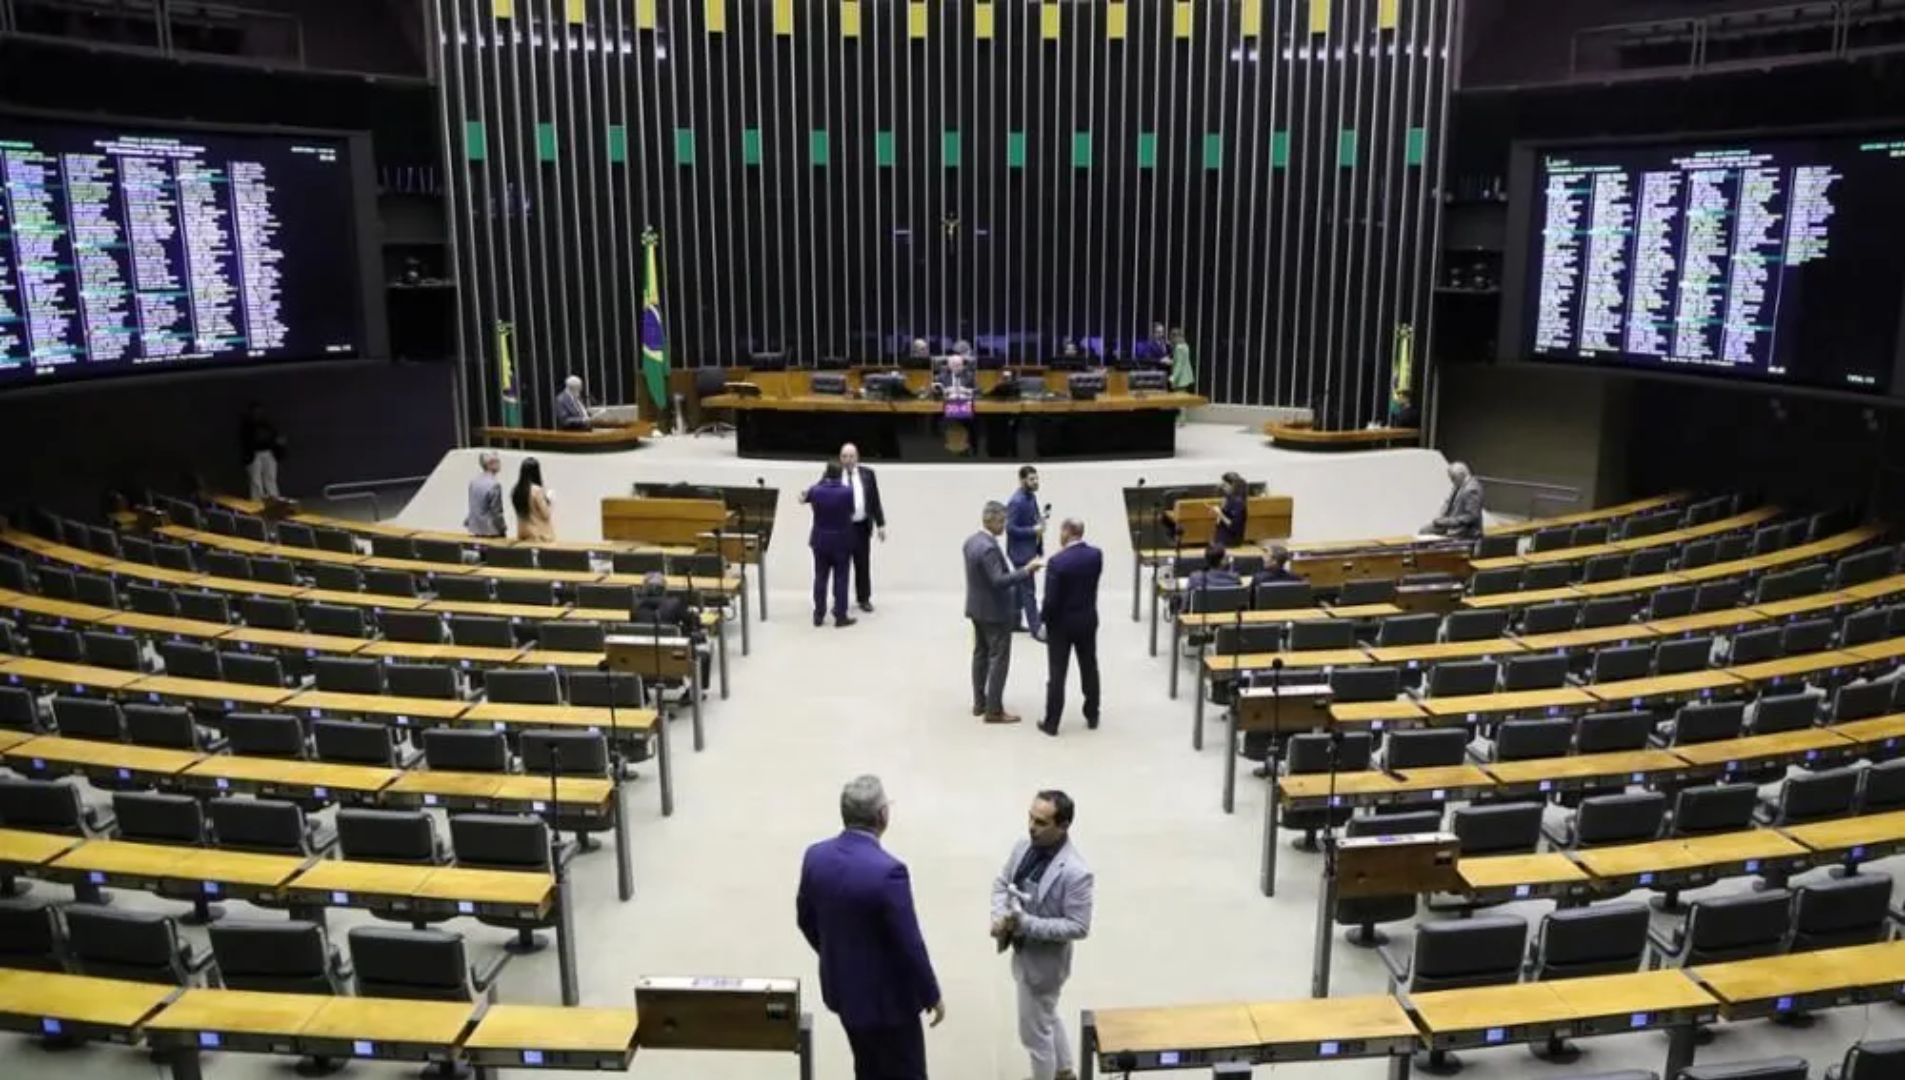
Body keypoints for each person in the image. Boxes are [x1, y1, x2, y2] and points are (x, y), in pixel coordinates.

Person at [797, 775, 945, 1080]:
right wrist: (931, 994)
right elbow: (909, 943)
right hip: (889, 1004)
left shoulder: (816, 856)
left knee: (866, 1066)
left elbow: (805, 919)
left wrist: (836, 953)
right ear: (882, 816)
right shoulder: (889, 872)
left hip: (843, 992)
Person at [990, 790, 1094, 1080]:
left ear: (1063, 826)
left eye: (1041, 822)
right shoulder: (1024, 845)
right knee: (1046, 1015)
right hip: (1023, 951)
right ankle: (1063, 1071)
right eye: (1030, 817)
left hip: (1045, 965)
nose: (1031, 826)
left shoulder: (1076, 872)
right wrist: (1000, 917)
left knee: (1034, 1036)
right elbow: (1002, 883)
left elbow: (1078, 926)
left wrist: (1025, 924)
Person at [964, 500, 1043, 724]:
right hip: (995, 612)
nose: (1004, 525)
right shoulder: (989, 548)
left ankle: (979, 702)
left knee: (980, 655)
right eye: (1002, 521)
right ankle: (994, 710)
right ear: (992, 520)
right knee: (998, 660)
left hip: (976, 608)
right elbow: (998, 580)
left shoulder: (971, 542)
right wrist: (1026, 571)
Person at [1040, 518, 1102, 735]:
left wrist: (1043, 620)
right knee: (1089, 668)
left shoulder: (1057, 562)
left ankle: (1052, 721)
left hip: (1061, 625)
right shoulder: (1096, 556)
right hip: (1086, 620)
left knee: (1057, 673)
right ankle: (1092, 714)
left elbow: (1051, 600)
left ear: (1067, 532)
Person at [802, 462, 857, 628]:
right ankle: (840, 615)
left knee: (820, 577)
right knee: (841, 579)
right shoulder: (847, 492)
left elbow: (801, 498)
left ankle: (818, 615)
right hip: (841, 540)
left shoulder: (816, 490)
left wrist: (819, 482)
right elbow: (851, 511)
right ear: (840, 474)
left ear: (826, 473)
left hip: (820, 540)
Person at [840, 443, 887, 613]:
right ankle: (841, 599)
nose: (848, 460)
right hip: (842, 528)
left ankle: (864, 598)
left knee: (862, 564)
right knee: (842, 564)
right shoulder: (834, 474)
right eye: (845, 456)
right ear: (840, 459)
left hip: (861, 527)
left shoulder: (868, 474)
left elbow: (875, 501)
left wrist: (881, 524)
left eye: (851, 456)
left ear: (857, 457)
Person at [1005, 466, 1047, 641]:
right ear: (1022, 480)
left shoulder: (1031, 497)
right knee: (1029, 590)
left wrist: (1040, 523)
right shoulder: (1016, 501)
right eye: (1031, 479)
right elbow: (1010, 528)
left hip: (1029, 549)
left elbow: (1034, 519)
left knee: (1019, 588)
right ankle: (1036, 629)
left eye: (1036, 478)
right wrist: (1033, 530)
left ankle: (1012, 622)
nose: (1035, 482)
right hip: (1020, 552)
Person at [239, 403, 285, 501]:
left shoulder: (267, 425)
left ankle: (274, 499)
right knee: (256, 480)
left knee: (270, 477)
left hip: (268, 453)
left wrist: (278, 444)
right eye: (255, 412)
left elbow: (275, 437)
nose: (258, 414)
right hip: (254, 454)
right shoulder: (246, 426)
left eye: (260, 412)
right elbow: (246, 441)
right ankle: (257, 501)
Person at [1428, 461, 1485, 539]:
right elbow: (1448, 502)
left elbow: (1471, 517)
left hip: (1465, 531)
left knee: (1426, 534)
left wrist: (1447, 522)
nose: (1452, 481)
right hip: (1451, 525)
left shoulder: (1472, 489)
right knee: (1424, 530)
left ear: (1461, 475)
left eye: (1453, 478)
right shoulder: (1458, 485)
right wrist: (1439, 516)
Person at [1185, 544, 1242, 611]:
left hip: (1201, 617)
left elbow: (1187, 604)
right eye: (1226, 556)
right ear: (1222, 561)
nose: (1228, 558)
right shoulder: (1234, 578)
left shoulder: (1195, 578)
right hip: (1229, 618)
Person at [510, 457, 554, 542]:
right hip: (540, 536)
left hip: (523, 534)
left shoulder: (516, 490)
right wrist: (549, 501)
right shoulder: (536, 490)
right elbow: (546, 514)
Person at [464, 451, 507, 538]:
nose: (500, 464)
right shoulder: (494, 485)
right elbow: (496, 512)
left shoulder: (473, 482)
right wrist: (503, 527)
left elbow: (474, 506)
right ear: (490, 464)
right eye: (497, 461)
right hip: (490, 531)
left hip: (475, 529)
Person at [1212, 472, 1249, 547]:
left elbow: (1234, 526)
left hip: (1230, 541)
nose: (1223, 488)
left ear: (1233, 486)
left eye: (1225, 485)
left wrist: (1219, 513)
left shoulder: (1238, 503)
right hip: (1221, 539)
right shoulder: (1228, 498)